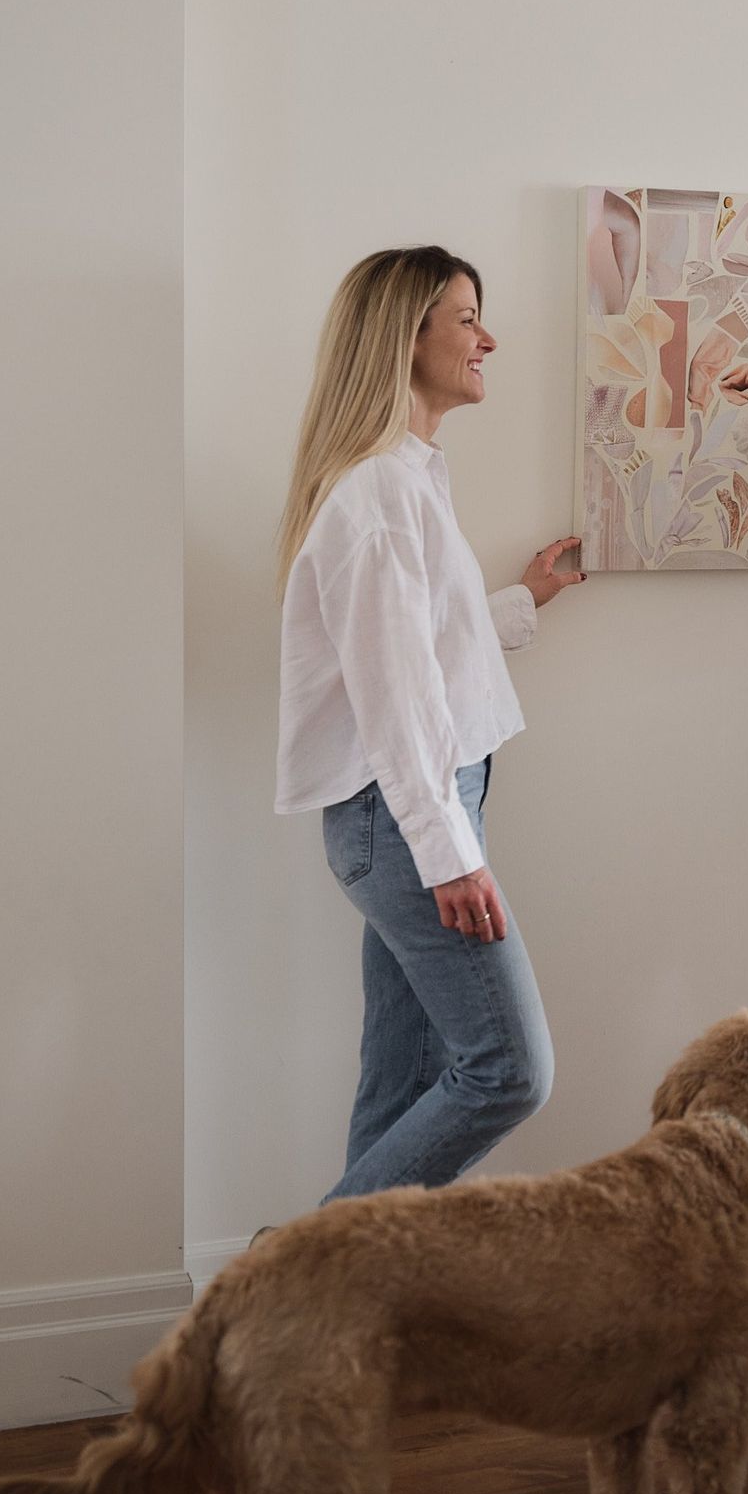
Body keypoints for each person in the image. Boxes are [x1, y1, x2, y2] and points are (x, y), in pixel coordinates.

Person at [275, 245, 583, 1199]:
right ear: (406, 338)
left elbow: (416, 648)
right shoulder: (375, 494)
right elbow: (396, 698)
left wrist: (524, 600)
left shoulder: (404, 480)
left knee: (403, 1083)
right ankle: (301, 1270)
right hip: (409, 816)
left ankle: (361, 1289)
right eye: (467, 319)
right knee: (509, 1070)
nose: (488, 340)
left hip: (413, 810)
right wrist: (449, 856)